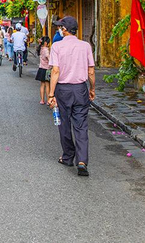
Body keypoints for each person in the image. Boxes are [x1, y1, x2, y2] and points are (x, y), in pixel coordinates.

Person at [48, 16, 95, 177]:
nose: (59, 29)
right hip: (80, 88)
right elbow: (91, 71)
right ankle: (82, 161)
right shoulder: (85, 46)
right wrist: (92, 88)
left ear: (65, 30)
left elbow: (55, 71)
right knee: (81, 125)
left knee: (64, 123)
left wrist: (51, 93)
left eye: (61, 27)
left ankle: (68, 156)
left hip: (63, 90)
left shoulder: (57, 46)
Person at [35, 36, 51, 104]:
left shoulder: (40, 48)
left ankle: (42, 100)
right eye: (48, 42)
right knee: (47, 85)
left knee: (42, 85)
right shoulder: (46, 50)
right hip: (46, 69)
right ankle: (48, 100)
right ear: (45, 43)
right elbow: (49, 58)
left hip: (41, 68)